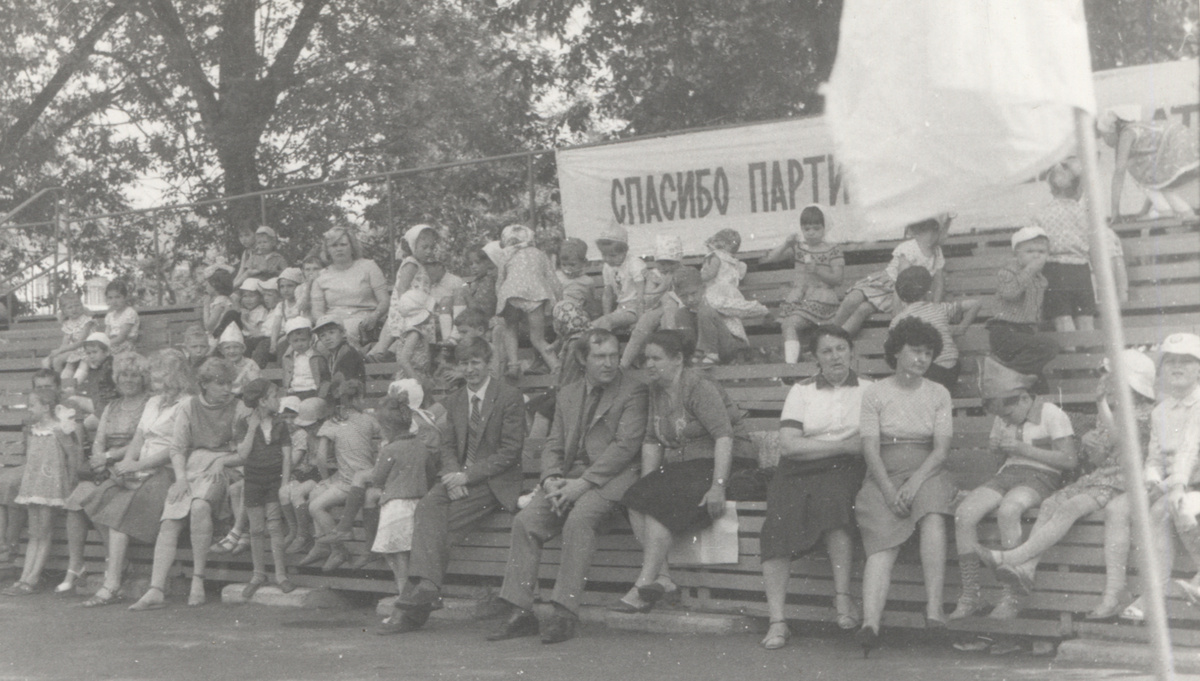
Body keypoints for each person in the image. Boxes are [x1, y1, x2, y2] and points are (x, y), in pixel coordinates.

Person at [487, 329, 648, 644]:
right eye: (600, 356)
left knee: (580, 518)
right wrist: (550, 479)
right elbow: (554, 445)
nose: (609, 363)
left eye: (614, 355)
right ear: (582, 358)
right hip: (568, 478)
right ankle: (521, 611)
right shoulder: (568, 392)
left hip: (615, 477)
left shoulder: (634, 390)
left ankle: (564, 613)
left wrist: (581, 485)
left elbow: (624, 448)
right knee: (526, 521)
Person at [976, 348, 1157, 621]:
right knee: (1051, 503)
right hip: (1102, 476)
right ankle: (1027, 569)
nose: (1106, 383)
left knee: (1070, 507)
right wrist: (1091, 446)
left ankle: (1013, 558)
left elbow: (1120, 436)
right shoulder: (1110, 408)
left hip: (1126, 480)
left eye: (1111, 378)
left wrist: (1101, 407)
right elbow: (1099, 457)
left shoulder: (1145, 413)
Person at [383, 337, 526, 634]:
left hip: (494, 481)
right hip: (458, 479)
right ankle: (427, 590)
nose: (470, 369)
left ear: (489, 363)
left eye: (476, 362)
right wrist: (451, 474)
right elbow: (447, 445)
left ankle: (411, 609)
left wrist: (467, 476)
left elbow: (509, 452)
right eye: (464, 363)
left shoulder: (508, 396)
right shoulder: (456, 398)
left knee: (437, 529)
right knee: (427, 506)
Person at [618, 330, 757, 612]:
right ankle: (664, 579)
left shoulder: (697, 385)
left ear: (678, 359)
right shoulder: (656, 389)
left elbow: (724, 436)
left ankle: (643, 583)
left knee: (659, 501)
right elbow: (652, 439)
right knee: (635, 498)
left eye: (656, 358)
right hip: (689, 466)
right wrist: (647, 484)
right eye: (646, 359)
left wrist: (718, 484)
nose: (649, 365)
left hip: (729, 460)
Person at [758, 325, 871, 650]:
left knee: (835, 503)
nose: (835, 356)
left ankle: (842, 600)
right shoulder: (802, 390)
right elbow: (790, 446)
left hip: (846, 470)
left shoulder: (869, 389)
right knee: (775, 527)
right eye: (826, 351)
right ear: (816, 357)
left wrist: (825, 446)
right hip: (798, 469)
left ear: (851, 351)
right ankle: (777, 621)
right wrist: (842, 446)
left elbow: (866, 443)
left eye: (840, 349)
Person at [854, 317, 957, 656]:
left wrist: (914, 482)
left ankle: (933, 610)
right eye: (915, 351)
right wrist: (887, 490)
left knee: (932, 515)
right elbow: (870, 448)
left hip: (927, 470)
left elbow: (941, 450)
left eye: (928, 353)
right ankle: (870, 623)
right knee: (882, 537)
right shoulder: (875, 393)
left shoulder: (938, 393)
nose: (921, 359)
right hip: (884, 472)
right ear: (897, 352)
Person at [949, 357, 1076, 621]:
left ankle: (1012, 595)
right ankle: (971, 594)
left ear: (1022, 399)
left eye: (1006, 415)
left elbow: (1069, 460)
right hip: (1008, 473)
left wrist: (1024, 449)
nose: (1004, 420)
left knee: (1009, 510)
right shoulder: (1003, 417)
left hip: (1042, 477)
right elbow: (1001, 463)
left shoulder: (1051, 413)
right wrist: (997, 450)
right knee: (964, 512)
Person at [75, 349, 193, 607]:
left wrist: (138, 465)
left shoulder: (187, 404)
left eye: (162, 380)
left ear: (177, 378)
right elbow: (139, 438)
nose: (156, 385)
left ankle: (112, 583)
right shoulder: (153, 402)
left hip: (167, 470)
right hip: (140, 465)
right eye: (156, 379)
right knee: (101, 496)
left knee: (119, 515)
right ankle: (115, 578)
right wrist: (128, 463)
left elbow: (176, 447)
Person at [128, 357, 242, 610]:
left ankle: (197, 581)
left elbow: (244, 449)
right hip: (192, 466)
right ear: (204, 384)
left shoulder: (239, 407)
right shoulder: (189, 407)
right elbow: (178, 448)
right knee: (170, 520)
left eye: (229, 383)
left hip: (227, 464)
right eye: (220, 384)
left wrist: (224, 462)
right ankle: (156, 589)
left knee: (200, 507)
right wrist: (180, 479)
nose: (226, 389)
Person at [57, 352, 153, 596]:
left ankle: (116, 563)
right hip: (106, 464)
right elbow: (99, 439)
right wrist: (99, 458)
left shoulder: (149, 404)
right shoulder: (112, 406)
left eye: (134, 375)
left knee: (95, 497)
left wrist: (108, 458)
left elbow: (141, 442)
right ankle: (76, 564)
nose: (128, 380)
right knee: (75, 503)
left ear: (143, 378)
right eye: (123, 375)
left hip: (133, 463)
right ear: (116, 378)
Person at [1121, 333, 1200, 622]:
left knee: (1170, 507)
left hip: (1192, 485)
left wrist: (1168, 486)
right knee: (1155, 508)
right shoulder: (1160, 412)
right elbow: (1154, 457)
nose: (1177, 368)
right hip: (1178, 487)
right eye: (1170, 362)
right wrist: (1152, 479)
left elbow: (1190, 454)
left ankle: (1154, 596)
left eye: (1187, 362)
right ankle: (1154, 594)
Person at [369, 397, 445, 634]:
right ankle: (411, 609)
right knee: (412, 564)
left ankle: (401, 612)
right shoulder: (421, 446)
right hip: (418, 507)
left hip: (396, 509)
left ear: (386, 428)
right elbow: (431, 473)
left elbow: (377, 479)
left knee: (399, 565)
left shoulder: (389, 449)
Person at [1032, 158, 1129, 334]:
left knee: (1062, 319)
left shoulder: (1040, 215)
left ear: (1051, 188)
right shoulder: (1087, 215)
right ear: (1079, 189)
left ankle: (1072, 356)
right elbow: (1097, 249)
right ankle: (1089, 356)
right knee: (1085, 318)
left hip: (1054, 272)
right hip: (1081, 272)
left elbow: (1035, 249)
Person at [1, 387, 83, 595]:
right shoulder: (33, 429)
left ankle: (33, 578)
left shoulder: (59, 429)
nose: (29, 409)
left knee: (43, 532)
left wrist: (72, 480)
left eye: (32, 405)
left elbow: (72, 455)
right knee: (34, 532)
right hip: (34, 485)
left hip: (51, 486)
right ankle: (23, 578)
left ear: (46, 406)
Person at [298, 379, 381, 571]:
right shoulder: (369, 420)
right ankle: (325, 548)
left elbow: (320, 457)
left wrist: (326, 477)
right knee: (316, 493)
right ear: (360, 398)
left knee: (315, 506)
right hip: (365, 478)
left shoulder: (333, 422)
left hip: (349, 484)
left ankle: (339, 549)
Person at [234, 379, 296, 598]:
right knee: (256, 529)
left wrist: (284, 483)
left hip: (273, 479)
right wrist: (252, 428)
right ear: (262, 401)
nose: (278, 400)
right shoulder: (244, 423)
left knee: (275, 526)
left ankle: (281, 575)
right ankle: (258, 574)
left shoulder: (280, 424)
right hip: (253, 479)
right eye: (274, 396)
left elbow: (287, 456)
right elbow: (242, 454)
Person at [834, 217, 946, 337]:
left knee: (864, 309)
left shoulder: (937, 252)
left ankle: (840, 339)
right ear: (916, 233)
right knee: (852, 299)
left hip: (901, 295)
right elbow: (901, 279)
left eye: (936, 231)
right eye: (928, 231)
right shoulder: (909, 248)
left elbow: (939, 283)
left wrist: (935, 307)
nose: (933, 236)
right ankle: (829, 333)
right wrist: (896, 307)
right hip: (885, 285)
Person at [762, 206, 845, 364]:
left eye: (816, 228)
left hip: (822, 298)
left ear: (824, 228)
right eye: (806, 229)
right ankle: (793, 365)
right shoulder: (800, 248)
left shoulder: (832, 250)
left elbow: (838, 279)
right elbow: (769, 259)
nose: (811, 233)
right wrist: (786, 244)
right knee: (788, 325)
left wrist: (818, 270)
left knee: (789, 324)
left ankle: (791, 367)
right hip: (800, 299)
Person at [1099, 105, 1199, 221]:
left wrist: (1115, 212)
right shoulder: (1139, 128)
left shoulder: (1127, 133)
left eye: (1104, 135)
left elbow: (1119, 173)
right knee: (1160, 181)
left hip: (1176, 146)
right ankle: (1186, 212)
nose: (1104, 140)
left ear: (1112, 130)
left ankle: (1163, 210)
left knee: (1135, 168)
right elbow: (1155, 182)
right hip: (1186, 146)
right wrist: (1144, 210)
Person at [889, 266, 982, 391]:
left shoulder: (900, 319)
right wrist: (961, 329)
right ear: (928, 291)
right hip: (952, 371)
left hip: (932, 373)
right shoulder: (939, 308)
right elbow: (976, 303)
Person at [987, 226, 1060, 376]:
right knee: (1049, 346)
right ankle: (1006, 374)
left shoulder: (1040, 280)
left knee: (1039, 385)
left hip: (1025, 333)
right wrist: (1029, 271)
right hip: (1005, 332)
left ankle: (1010, 375)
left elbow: (1034, 310)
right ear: (1017, 255)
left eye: (1041, 252)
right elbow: (1009, 293)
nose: (1036, 256)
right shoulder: (1008, 272)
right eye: (1030, 251)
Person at [496, 224, 562, 377]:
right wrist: (558, 300)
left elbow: (500, 281)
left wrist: (500, 302)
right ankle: (556, 365)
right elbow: (553, 281)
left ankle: (513, 364)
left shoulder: (506, 254)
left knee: (510, 328)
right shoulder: (539, 254)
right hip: (535, 295)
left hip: (510, 294)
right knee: (537, 338)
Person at [309, 226, 389, 348]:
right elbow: (317, 311)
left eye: (343, 244)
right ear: (327, 250)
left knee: (343, 336)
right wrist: (326, 325)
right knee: (318, 342)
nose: (339, 249)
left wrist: (375, 315)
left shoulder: (368, 267)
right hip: (332, 323)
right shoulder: (321, 276)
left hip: (363, 320)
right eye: (334, 246)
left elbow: (384, 300)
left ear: (352, 247)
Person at [699, 228, 768, 364]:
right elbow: (737, 273)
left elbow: (709, 274)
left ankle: (712, 351)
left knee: (712, 309)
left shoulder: (715, 256)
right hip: (731, 292)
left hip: (716, 290)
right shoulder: (735, 262)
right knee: (730, 318)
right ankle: (739, 339)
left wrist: (699, 276)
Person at [372, 225, 439, 359]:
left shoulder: (420, 264)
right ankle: (379, 358)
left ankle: (388, 358)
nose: (429, 251)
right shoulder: (411, 263)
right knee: (405, 335)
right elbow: (402, 288)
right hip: (408, 309)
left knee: (407, 339)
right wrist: (407, 309)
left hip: (417, 308)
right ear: (413, 246)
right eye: (424, 247)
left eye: (432, 248)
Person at [620, 235, 684, 370]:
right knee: (642, 326)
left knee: (668, 318)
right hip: (657, 307)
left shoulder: (682, 273)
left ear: (678, 262)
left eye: (670, 263)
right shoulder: (654, 275)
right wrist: (661, 286)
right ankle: (624, 363)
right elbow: (648, 300)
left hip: (677, 308)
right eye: (662, 263)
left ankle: (671, 358)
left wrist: (670, 285)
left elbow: (685, 295)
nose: (665, 267)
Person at [672, 267, 749, 366]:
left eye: (693, 293)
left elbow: (746, 307)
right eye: (683, 296)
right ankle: (691, 357)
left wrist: (766, 312)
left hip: (730, 345)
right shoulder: (686, 309)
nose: (690, 299)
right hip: (704, 352)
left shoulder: (714, 300)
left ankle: (710, 354)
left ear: (703, 288)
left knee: (704, 310)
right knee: (681, 313)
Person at [283, 397, 330, 555]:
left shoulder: (330, 435)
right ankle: (298, 532)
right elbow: (310, 463)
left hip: (329, 475)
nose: (308, 430)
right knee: (288, 489)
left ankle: (304, 536)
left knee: (298, 492)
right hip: (314, 473)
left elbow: (327, 465)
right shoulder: (310, 436)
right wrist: (297, 476)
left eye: (311, 426)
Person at [593, 223, 646, 334]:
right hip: (620, 309)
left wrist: (640, 322)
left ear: (625, 251)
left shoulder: (634, 264)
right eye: (604, 254)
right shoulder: (607, 267)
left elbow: (642, 296)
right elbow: (607, 295)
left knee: (601, 323)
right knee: (598, 324)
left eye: (612, 255)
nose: (607, 259)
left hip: (635, 310)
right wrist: (607, 316)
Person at [44, 290, 96, 390]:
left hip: (88, 351)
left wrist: (59, 351)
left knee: (81, 369)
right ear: (64, 311)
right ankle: (60, 388)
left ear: (81, 306)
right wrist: (56, 353)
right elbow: (65, 343)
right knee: (66, 371)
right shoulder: (67, 324)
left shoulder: (87, 321)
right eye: (70, 307)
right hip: (75, 353)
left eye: (77, 305)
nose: (74, 309)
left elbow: (80, 342)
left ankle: (74, 386)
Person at [281, 317, 330, 399]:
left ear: (311, 339)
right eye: (295, 341)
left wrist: (321, 392)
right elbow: (287, 377)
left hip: (312, 391)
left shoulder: (316, 357)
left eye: (303, 340)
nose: (300, 344)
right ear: (289, 341)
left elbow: (324, 378)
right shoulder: (288, 358)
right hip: (294, 391)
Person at [314, 316, 366, 386]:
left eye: (331, 332)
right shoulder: (331, 355)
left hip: (351, 394)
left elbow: (344, 382)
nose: (327, 338)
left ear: (343, 333)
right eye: (323, 335)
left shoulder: (348, 352)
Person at [216, 324, 261, 396]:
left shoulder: (250, 364)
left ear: (243, 349)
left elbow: (256, 385)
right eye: (227, 348)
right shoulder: (219, 365)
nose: (232, 351)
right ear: (221, 351)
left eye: (236, 347)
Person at [201, 268, 240, 340]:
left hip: (217, 337)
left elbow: (208, 326)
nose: (205, 286)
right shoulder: (227, 299)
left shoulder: (220, 302)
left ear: (214, 285)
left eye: (207, 284)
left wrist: (206, 306)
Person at [104, 281, 140, 356]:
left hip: (125, 346)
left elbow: (121, 337)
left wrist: (104, 343)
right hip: (112, 345)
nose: (114, 301)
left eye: (117, 297)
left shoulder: (129, 313)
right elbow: (106, 334)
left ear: (125, 297)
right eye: (110, 298)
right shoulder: (110, 315)